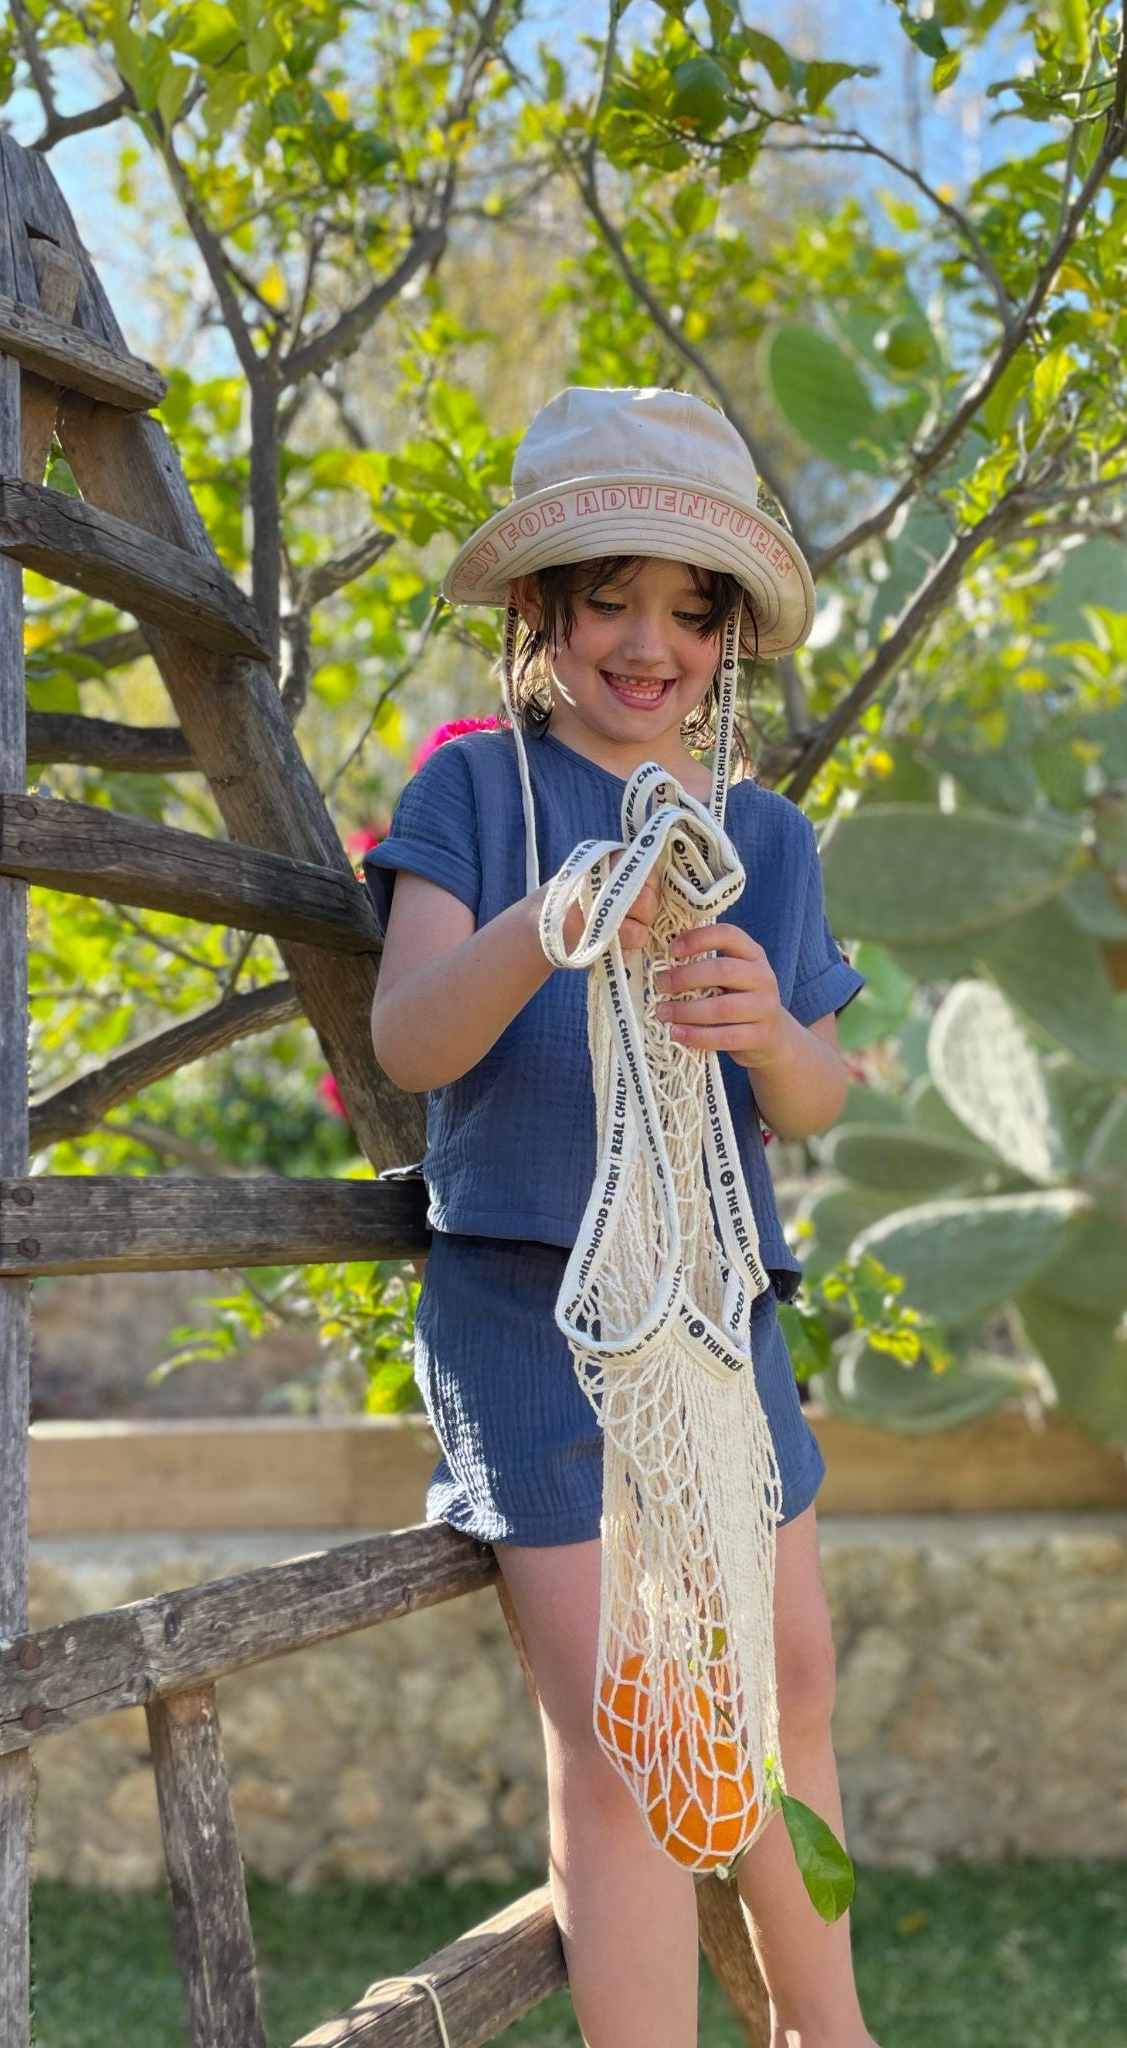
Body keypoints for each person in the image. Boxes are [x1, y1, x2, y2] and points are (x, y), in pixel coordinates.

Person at [363, 386, 879, 2048]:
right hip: (529, 1315)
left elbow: (817, 1094)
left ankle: (826, 2029)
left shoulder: (766, 837)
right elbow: (411, 1039)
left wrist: (768, 1029)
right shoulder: (476, 793)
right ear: (541, 610)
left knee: (786, 1681)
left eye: (689, 608)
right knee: (626, 1721)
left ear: (728, 637)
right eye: (610, 597)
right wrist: (550, 923)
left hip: (721, 1323)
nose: (648, 641)